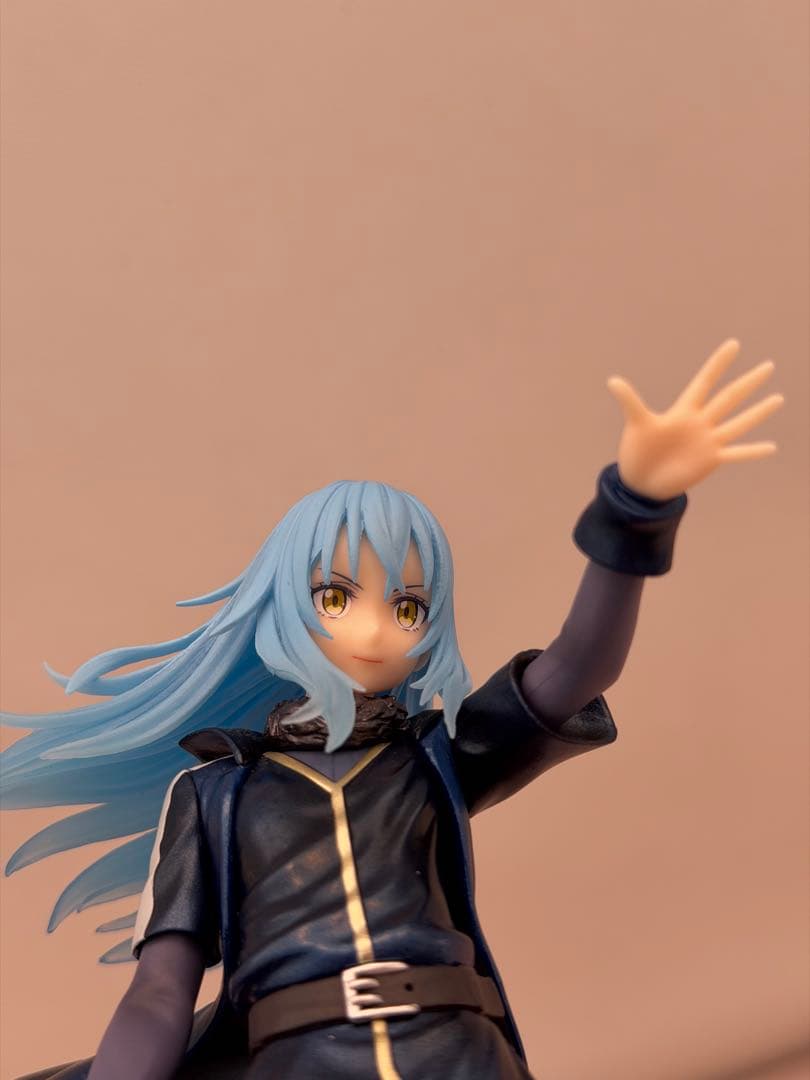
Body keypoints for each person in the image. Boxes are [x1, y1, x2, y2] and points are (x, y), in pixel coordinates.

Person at [2, 340, 782, 1079]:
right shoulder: (214, 794)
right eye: (336, 597)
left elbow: (578, 667)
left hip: (456, 1049)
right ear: (279, 603)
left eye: (408, 607)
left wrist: (634, 508)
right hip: (299, 1058)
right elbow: (158, 994)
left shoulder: (437, 756)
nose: (376, 631)